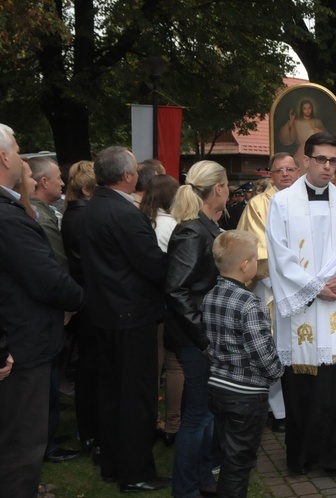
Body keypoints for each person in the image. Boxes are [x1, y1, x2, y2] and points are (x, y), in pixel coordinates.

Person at [266, 132, 336, 481]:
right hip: (303, 307)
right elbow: (280, 255)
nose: (328, 166)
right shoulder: (282, 203)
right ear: (306, 160)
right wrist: (313, 286)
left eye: (333, 161)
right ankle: (301, 456)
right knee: (301, 386)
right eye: (321, 159)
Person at [0, 123, 83, 497]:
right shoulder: (7, 218)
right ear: (4, 157)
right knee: (21, 443)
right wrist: (81, 299)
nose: (22, 158)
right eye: (18, 150)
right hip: (21, 348)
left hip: (20, 342)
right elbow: (47, 278)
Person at [81, 145, 169, 492]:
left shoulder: (94, 206)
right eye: (133, 169)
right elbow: (153, 264)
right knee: (136, 398)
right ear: (127, 176)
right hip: (131, 316)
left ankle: (114, 464)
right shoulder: (124, 213)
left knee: (113, 394)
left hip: (105, 313)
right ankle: (136, 472)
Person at [203, 230, 284, 498]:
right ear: (245, 265)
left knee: (228, 455)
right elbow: (262, 352)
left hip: (218, 387)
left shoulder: (210, 295)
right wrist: (277, 370)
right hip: (245, 395)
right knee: (240, 464)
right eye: (255, 259)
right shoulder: (250, 304)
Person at [166, 160, 229, 498]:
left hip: (202, 335)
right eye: (227, 183)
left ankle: (203, 478)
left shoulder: (205, 226)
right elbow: (177, 289)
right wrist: (203, 339)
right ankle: (186, 488)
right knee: (197, 417)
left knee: (206, 414)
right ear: (218, 188)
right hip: (195, 339)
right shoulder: (192, 230)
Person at [237, 152, 301, 433]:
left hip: (306, 288)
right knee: (274, 345)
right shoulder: (259, 205)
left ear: (298, 172)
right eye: (279, 170)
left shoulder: (305, 202)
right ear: (271, 175)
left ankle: (301, 401)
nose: (285, 174)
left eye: (290, 169)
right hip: (272, 289)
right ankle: (279, 411)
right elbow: (257, 249)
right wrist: (286, 280)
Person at [60, 161, 101, 462]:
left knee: (88, 369)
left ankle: (88, 429)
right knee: (90, 371)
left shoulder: (74, 213)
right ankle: (90, 432)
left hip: (84, 299)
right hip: (90, 301)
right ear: (89, 189)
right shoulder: (84, 216)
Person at [140, 174, 183, 446]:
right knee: (174, 364)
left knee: (151, 366)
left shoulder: (139, 222)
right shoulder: (174, 225)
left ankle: (151, 420)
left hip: (146, 303)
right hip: (170, 304)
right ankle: (173, 423)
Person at [279, 99, 327, 171]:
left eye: (309, 108)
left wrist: (320, 132)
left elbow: (327, 137)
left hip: (316, 151)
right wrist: (291, 122)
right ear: (301, 110)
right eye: (305, 108)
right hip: (302, 152)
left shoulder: (317, 122)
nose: (307, 110)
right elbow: (286, 138)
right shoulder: (296, 122)